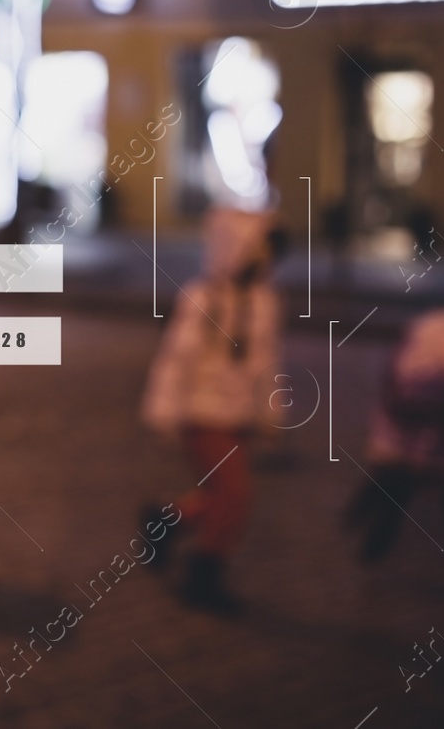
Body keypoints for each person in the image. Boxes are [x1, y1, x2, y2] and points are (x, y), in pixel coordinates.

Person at [140, 207, 283, 614]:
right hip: (201, 414)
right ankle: (204, 575)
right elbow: (176, 358)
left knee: (221, 495)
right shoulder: (201, 298)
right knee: (236, 495)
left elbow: (267, 363)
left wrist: (269, 413)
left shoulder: (263, 301)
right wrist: (164, 411)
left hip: (238, 416)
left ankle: (165, 519)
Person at [344, 232, 444, 581]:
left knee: (421, 483)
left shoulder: (439, 322)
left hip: (423, 436)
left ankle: (377, 522)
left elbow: (398, 380)